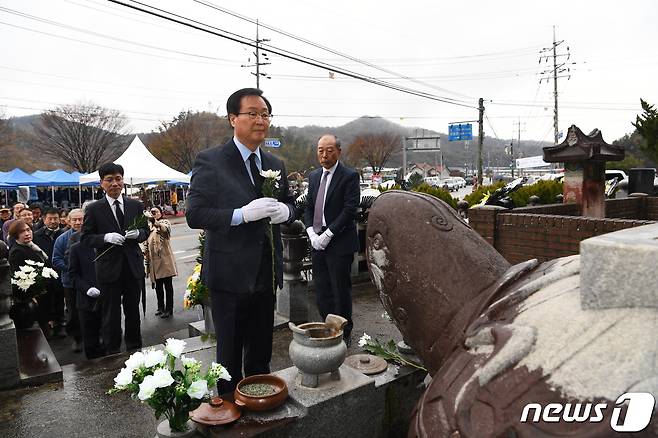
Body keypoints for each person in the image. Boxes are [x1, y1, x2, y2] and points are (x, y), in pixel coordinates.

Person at [186, 87, 295, 394]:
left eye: (265, 114)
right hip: (228, 276)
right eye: (253, 114)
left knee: (261, 356)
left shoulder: (275, 163)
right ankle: (230, 412)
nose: (261, 120)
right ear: (233, 118)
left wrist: (285, 211)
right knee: (229, 361)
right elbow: (195, 214)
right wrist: (240, 215)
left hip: (265, 272)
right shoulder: (211, 160)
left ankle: (261, 408)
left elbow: (291, 202)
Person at [81, 163, 149, 355]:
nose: (115, 183)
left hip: (132, 266)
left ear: (123, 181)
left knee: (133, 312)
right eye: (109, 180)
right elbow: (85, 238)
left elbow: (145, 231)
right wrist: (105, 238)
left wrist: (139, 233)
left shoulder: (135, 205)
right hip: (109, 270)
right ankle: (112, 353)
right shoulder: (94, 209)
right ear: (101, 183)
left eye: (118, 179)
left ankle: (135, 349)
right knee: (110, 314)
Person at [304, 134, 360, 345]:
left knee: (340, 289)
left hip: (339, 241)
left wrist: (328, 234)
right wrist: (311, 233)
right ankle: (327, 326)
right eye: (320, 150)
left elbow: (349, 210)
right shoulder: (314, 176)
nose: (324, 155)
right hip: (317, 240)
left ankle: (344, 331)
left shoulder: (349, 176)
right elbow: (309, 206)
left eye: (329, 150)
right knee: (322, 289)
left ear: (338, 151)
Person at [7, 219, 52, 334]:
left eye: (28, 230)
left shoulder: (32, 246)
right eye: (22, 231)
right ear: (15, 235)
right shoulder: (17, 251)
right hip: (32, 298)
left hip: (44, 294)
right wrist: (31, 296)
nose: (27, 233)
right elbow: (19, 277)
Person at [52, 209, 84, 352]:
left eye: (81, 219)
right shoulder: (62, 239)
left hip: (90, 280)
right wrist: (71, 268)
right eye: (75, 220)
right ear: (68, 221)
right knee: (73, 311)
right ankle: (77, 338)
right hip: (70, 282)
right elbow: (56, 259)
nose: (78, 222)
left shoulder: (93, 235)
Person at [69, 233, 104, 359]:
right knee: (90, 339)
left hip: (107, 298)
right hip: (86, 300)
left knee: (110, 335)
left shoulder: (109, 244)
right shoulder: (76, 248)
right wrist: (87, 288)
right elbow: (73, 275)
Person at [144, 205, 177, 318]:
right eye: (152, 212)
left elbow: (165, 229)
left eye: (156, 212)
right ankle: (160, 307)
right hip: (154, 262)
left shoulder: (164, 223)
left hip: (165, 261)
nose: (154, 214)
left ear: (160, 213)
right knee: (158, 287)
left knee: (168, 286)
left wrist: (154, 221)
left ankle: (169, 309)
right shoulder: (150, 227)